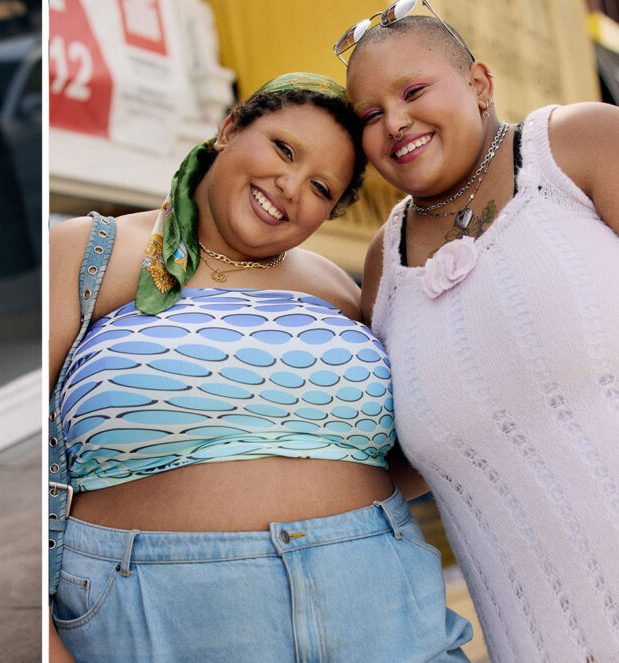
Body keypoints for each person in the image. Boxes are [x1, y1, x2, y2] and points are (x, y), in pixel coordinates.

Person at [48, 72, 471, 662]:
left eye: (321, 187)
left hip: (376, 600)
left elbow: (412, 444)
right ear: (228, 129)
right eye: (283, 149)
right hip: (164, 615)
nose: (291, 186)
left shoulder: (337, 290)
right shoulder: (91, 253)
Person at [341, 5, 619, 662]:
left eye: (412, 92)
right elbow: (389, 465)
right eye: (370, 115)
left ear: (480, 84)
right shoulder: (382, 267)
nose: (396, 122)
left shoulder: (576, 144)